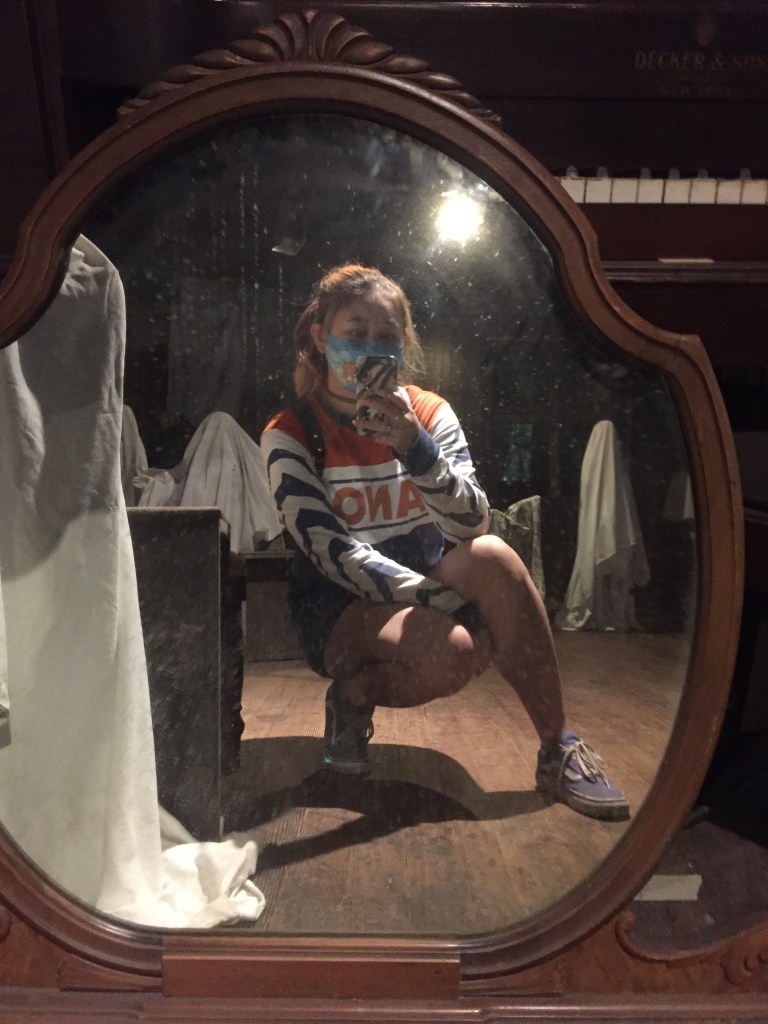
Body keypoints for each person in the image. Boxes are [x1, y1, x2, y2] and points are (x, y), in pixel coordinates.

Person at [261, 264, 628, 821]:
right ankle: (353, 696)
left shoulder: (429, 413)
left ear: (403, 344)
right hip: (339, 602)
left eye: (387, 336)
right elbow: (329, 551)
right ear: (320, 336)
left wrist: (415, 447)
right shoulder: (290, 431)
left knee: (495, 554)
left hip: (428, 573)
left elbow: (474, 524)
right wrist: (440, 602)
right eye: (355, 333)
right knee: (452, 654)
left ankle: (558, 746)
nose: (370, 348)